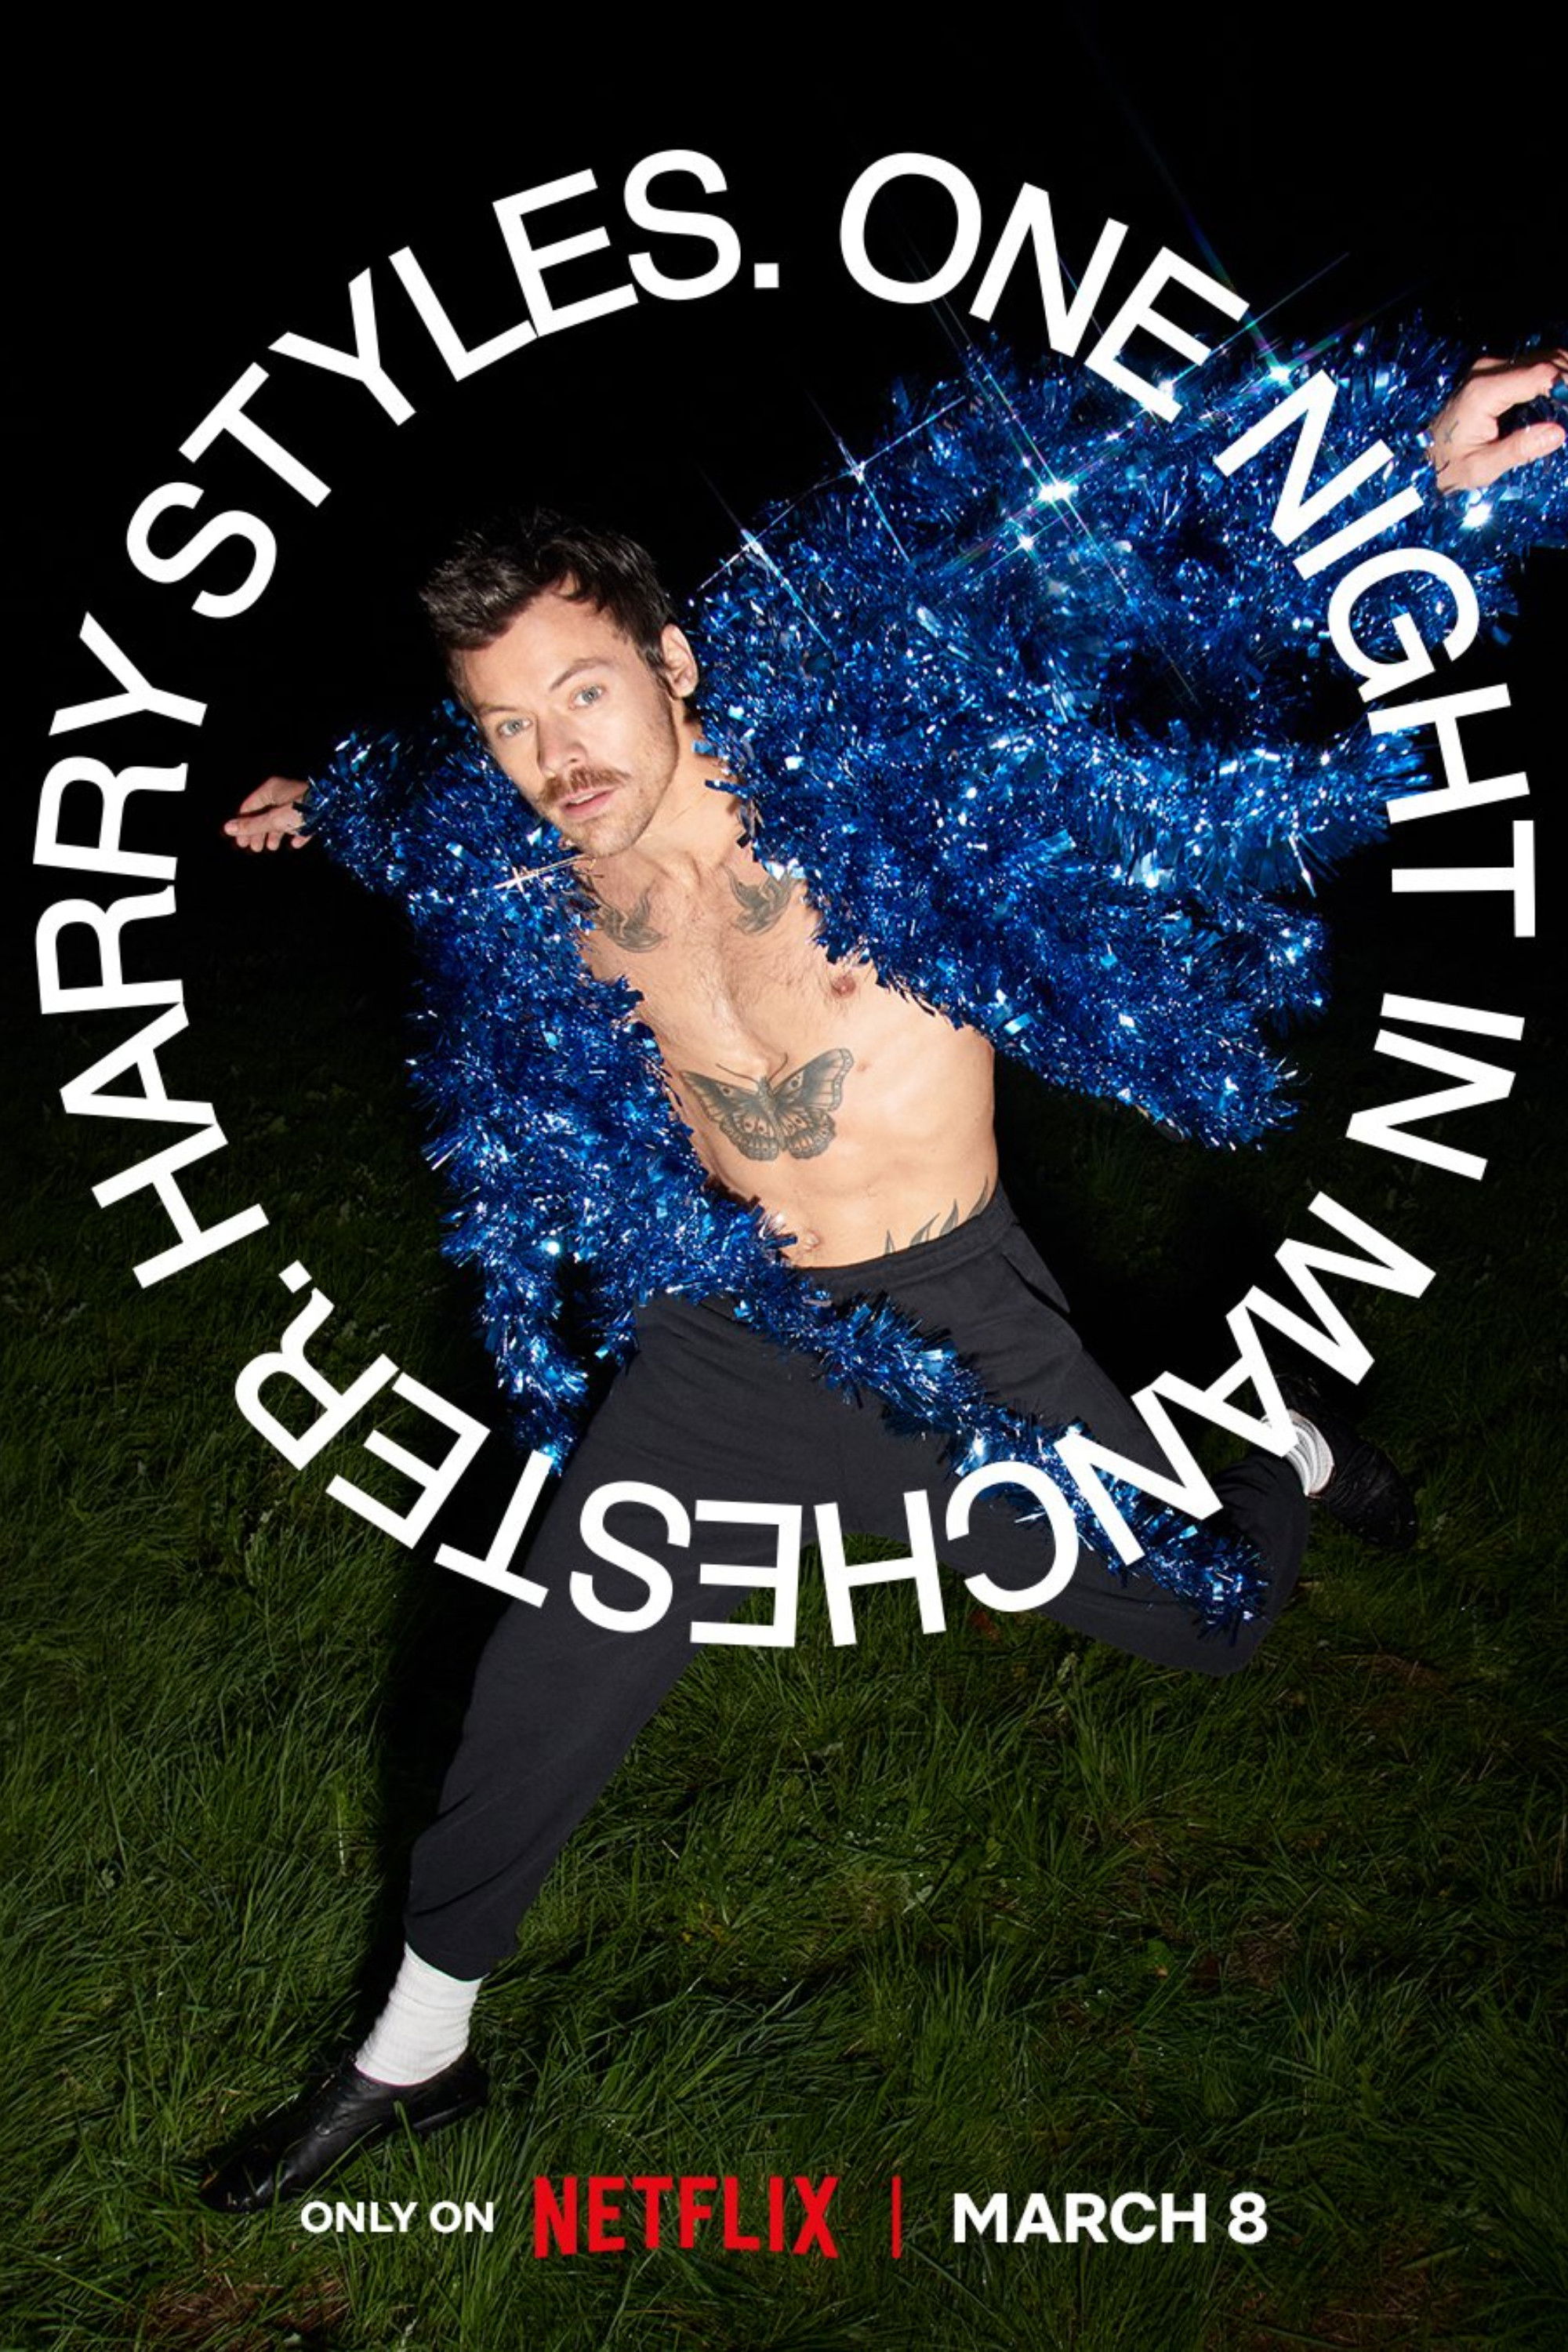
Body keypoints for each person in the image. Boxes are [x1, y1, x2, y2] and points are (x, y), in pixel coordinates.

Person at [198, 350, 1564, 2213]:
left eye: (586, 692)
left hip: (961, 1318)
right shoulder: (520, 854)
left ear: (675, 663)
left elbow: (1110, 550)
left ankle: (1278, 1445)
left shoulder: (870, 759)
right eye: (511, 724)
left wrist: (1401, 474)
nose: (556, 754)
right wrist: (318, 797)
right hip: (726, 1333)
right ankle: (411, 2054)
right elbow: (402, 798)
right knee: (552, 1661)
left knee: (1212, 1624)